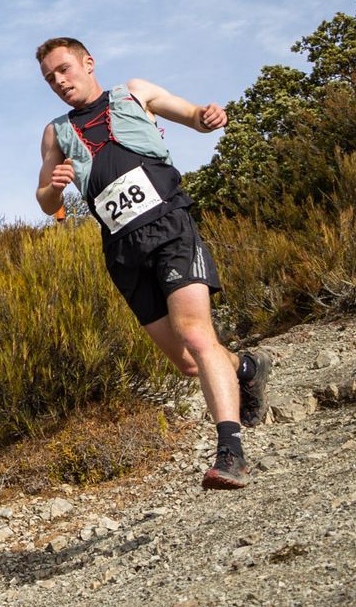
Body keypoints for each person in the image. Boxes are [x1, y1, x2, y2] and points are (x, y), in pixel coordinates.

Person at [33, 37, 269, 489]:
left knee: (198, 334)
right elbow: (45, 200)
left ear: (87, 62)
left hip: (168, 225)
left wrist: (208, 116)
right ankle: (246, 370)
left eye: (63, 69)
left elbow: (194, 117)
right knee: (187, 362)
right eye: (49, 78)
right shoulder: (55, 133)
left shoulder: (133, 92)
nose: (58, 82)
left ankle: (231, 453)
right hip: (121, 250)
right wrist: (55, 187)